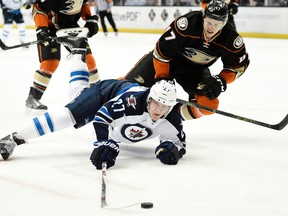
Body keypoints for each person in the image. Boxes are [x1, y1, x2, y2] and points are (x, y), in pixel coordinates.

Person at [0, 36, 186, 169]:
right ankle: (13, 138)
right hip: (107, 92)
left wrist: (171, 150)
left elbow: (179, 144)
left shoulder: (172, 118)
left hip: (114, 97)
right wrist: (103, 143)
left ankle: (78, 52)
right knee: (68, 116)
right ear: (149, 99)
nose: (159, 109)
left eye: (165, 106)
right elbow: (101, 117)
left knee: (78, 95)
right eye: (156, 103)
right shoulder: (131, 103)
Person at [123, 0, 249, 121]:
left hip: (195, 71)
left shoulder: (231, 39)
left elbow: (236, 67)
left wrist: (221, 80)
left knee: (209, 105)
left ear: (224, 23)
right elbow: (162, 51)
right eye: (209, 22)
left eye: (217, 25)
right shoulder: (187, 24)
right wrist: (162, 76)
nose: (211, 28)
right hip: (168, 62)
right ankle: (105, 98)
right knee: (126, 89)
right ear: (203, 17)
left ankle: (172, 117)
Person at [25, 0, 100, 114]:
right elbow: (39, 9)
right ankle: (33, 98)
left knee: (88, 60)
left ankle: (98, 94)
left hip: (71, 27)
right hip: (49, 28)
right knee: (50, 63)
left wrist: (89, 19)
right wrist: (41, 28)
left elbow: (84, 3)